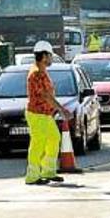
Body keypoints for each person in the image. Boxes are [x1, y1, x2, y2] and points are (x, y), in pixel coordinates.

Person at [25, 41, 71, 185]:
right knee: (38, 143)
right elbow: (46, 95)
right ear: (44, 56)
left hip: (44, 114)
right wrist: (61, 109)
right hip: (37, 114)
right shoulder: (37, 73)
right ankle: (32, 176)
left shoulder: (42, 72)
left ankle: (48, 171)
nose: (51, 59)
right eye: (50, 56)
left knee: (53, 138)